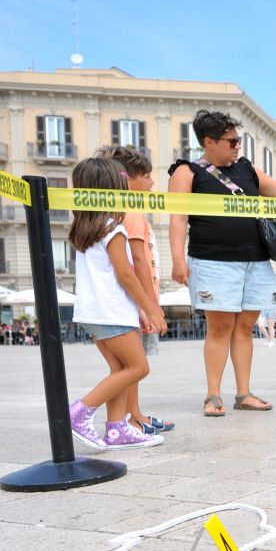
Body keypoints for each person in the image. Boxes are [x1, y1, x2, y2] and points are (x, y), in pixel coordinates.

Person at [168, 110, 276, 417]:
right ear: (209, 142)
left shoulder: (247, 169)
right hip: (213, 261)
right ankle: (212, 395)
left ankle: (243, 393)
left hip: (255, 261)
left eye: (239, 140)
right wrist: (178, 259)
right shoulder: (187, 172)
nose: (238, 146)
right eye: (231, 140)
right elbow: (178, 218)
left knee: (245, 327)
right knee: (219, 327)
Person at [66, 157, 167, 451]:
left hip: (93, 311)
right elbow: (126, 273)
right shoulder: (114, 228)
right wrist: (150, 308)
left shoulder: (84, 229)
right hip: (112, 311)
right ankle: (80, 412)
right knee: (138, 368)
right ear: (112, 189)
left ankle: (116, 428)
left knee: (120, 369)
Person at [96, 146, 175, 435]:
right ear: (128, 179)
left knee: (126, 366)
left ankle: (132, 416)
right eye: (147, 176)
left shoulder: (116, 210)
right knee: (133, 365)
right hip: (134, 301)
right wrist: (151, 306)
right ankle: (118, 416)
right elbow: (138, 262)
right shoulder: (131, 212)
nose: (152, 183)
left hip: (129, 301)